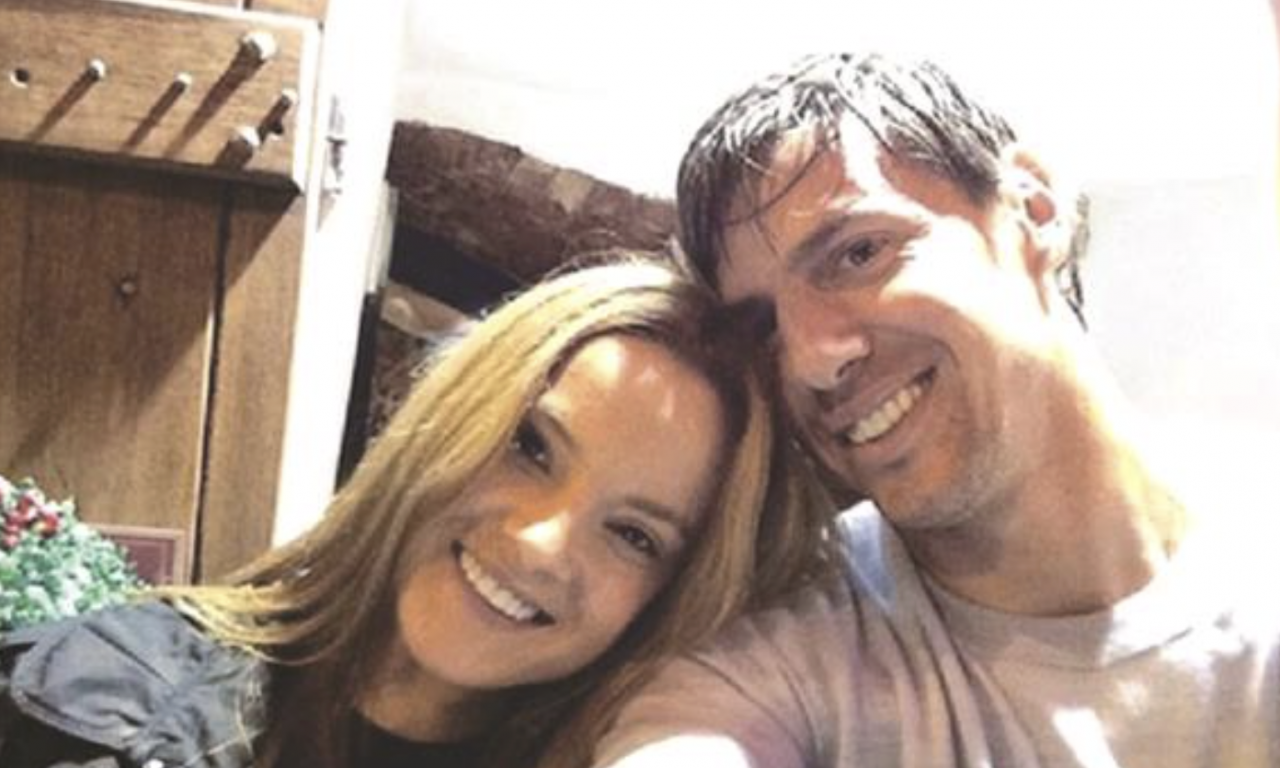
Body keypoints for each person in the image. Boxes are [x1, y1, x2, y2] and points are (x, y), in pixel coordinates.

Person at [591, 53, 1280, 767]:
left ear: (1034, 210)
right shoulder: (773, 660)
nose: (812, 358)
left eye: (858, 253)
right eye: (765, 327)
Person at [0, 256, 830, 768]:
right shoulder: (102, 693)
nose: (540, 543)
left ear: (666, 603)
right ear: (452, 418)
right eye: (531, 447)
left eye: (635, 536)